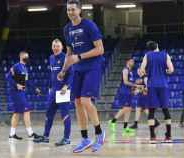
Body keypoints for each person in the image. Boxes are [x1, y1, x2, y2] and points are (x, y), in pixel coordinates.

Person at [57, 0, 105, 153]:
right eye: (68, 10)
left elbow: (100, 49)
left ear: (79, 10)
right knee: (77, 102)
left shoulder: (89, 25)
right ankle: (85, 139)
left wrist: (80, 57)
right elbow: (69, 53)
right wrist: (63, 70)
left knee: (85, 100)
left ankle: (99, 134)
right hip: (78, 68)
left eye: (73, 9)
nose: (70, 12)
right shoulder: (67, 29)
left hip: (93, 66)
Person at [33, 39, 72, 146]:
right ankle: (45, 137)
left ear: (62, 47)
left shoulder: (66, 58)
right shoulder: (51, 58)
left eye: (57, 46)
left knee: (65, 115)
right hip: (53, 92)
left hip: (63, 91)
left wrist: (66, 86)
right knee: (48, 114)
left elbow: (71, 74)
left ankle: (66, 138)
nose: (55, 48)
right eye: (54, 46)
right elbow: (52, 75)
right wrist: (50, 87)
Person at [140, 41, 174, 143]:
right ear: (157, 46)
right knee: (165, 110)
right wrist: (166, 71)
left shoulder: (147, 55)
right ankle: (168, 135)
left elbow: (141, 70)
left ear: (149, 49)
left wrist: (146, 73)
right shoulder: (165, 54)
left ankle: (152, 136)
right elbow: (171, 69)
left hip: (152, 85)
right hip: (163, 84)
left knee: (151, 111)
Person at [7, 51, 40, 140]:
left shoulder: (25, 68)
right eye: (26, 56)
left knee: (17, 113)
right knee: (26, 110)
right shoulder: (16, 66)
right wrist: (16, 85)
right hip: (16, 92)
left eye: (28, 56)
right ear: (21, 56)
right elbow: (8, 77)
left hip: (22, 92)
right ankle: (30, 133)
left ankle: (12, 134)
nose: (27, 58)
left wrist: (34, 88)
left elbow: (27, 81)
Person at [108, 59, 142, 134]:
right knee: (125, 108)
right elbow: (125, 82)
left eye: (133, 61)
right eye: (131, 61)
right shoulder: (125, 70)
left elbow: (131, 83)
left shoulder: (131, 72)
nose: (133, 62)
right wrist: (136, 85)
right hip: (124, 91)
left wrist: (134, 88)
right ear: (127, 62)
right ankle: (113, 121)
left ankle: (125, 127)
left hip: (129, 92)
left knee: (129, 109)